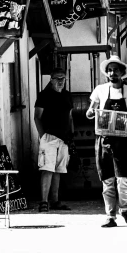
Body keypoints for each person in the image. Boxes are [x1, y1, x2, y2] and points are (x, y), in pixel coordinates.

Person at [86, 55, 127, 228]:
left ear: (123, 72)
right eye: (110, 70)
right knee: (107, 179)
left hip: (123, 141)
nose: (112, 73)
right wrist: (92, 113)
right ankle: (110, 216)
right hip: (104, 140)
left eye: (116, 69)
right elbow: (90, 110)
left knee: (123, 178)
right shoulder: (100, 90)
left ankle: (124, 209)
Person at [34, 67, 74, 213]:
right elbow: (37, 117)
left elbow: (70, 117)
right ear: (51, 79)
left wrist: (71, 136)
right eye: (57, 78)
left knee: (58, 170)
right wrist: (43, 136)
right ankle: (43, 202)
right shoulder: (44, 95)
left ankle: (55, 201)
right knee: (46, 169)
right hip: (49, 137)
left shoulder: (68, 95)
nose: (60, 81)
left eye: (63, 78)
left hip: (64, 139)